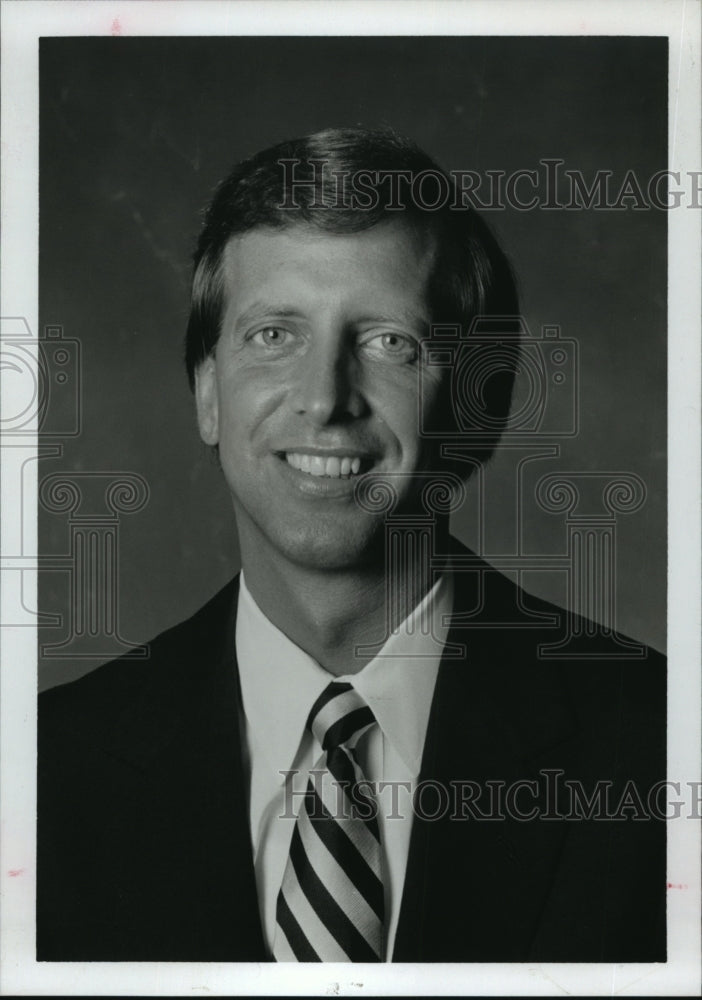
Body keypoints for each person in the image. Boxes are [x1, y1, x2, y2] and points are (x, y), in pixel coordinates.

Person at [37, 127, 665, 963]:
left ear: (478, 413)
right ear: (207, 396)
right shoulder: (45, 776)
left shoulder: (656, 745)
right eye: (274, 335)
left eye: (389, 342)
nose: (325, 398)